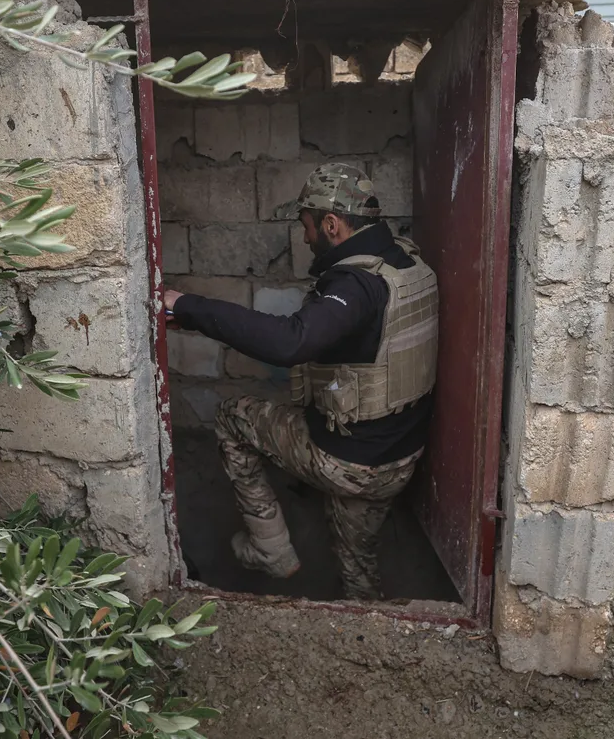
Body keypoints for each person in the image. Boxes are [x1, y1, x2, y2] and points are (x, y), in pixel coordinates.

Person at [162, 162, 438, 599]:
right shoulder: (406, 264)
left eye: (306, 226)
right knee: (357, 557)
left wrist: (188, 306)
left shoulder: (358, 285)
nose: (306, 238)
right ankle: (365, 614)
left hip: (350, 462)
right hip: (401, 456)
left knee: (234, 417)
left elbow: (290, 343)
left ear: (331, 224)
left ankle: (271, 549)